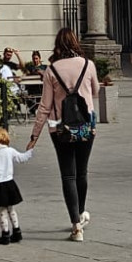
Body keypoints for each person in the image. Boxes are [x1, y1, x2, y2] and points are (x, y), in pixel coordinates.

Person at [27, 26, 100, 241]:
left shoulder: (51, 70)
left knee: (68, 174)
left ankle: (76, 226)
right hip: (87, 126)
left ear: (57, 45)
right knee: (82, 171)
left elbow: (44, 106)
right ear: (76, 42)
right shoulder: (88, 65)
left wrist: (34, 137)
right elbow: (95, 92)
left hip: (59, 128)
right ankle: (81, 210)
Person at [0, 125, 35, 244]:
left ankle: (5, 234)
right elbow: (22, 158)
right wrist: (30, 150)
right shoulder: (10, 151)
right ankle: (17, 231)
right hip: (9, 184)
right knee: (11, 209)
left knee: (2, 211)